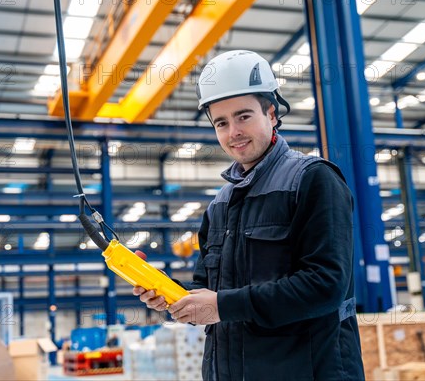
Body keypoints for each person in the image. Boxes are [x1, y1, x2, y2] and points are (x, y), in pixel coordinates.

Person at [133, 50, 365, 380]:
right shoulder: (220, 206)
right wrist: (171, 297)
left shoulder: (312, 179)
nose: (233, 133)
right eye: (222, 123)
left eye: (244, 116)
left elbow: (326, 285)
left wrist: (222, 305)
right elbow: (207, 292)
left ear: (271, 113)